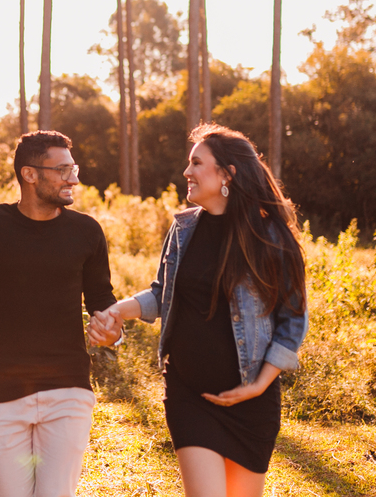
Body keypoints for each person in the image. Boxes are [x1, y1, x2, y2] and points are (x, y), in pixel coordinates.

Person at [90, 123, 308, 497]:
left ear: (227, 174)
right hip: (188, 393)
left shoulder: (269, 236)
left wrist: (258, 385)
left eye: (196, 163)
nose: (187, 172)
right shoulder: (184, 229)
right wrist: (117, 311)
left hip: (251, 404)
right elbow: (164, 294)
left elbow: (292, 321)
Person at [0, 130, 118, 497]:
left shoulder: (86, 231)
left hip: (68, 390)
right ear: (29, 174)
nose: (74, 179)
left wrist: (113, 329)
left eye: (73, 168)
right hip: (2, 393)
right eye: (62, 170)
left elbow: (101, 298)